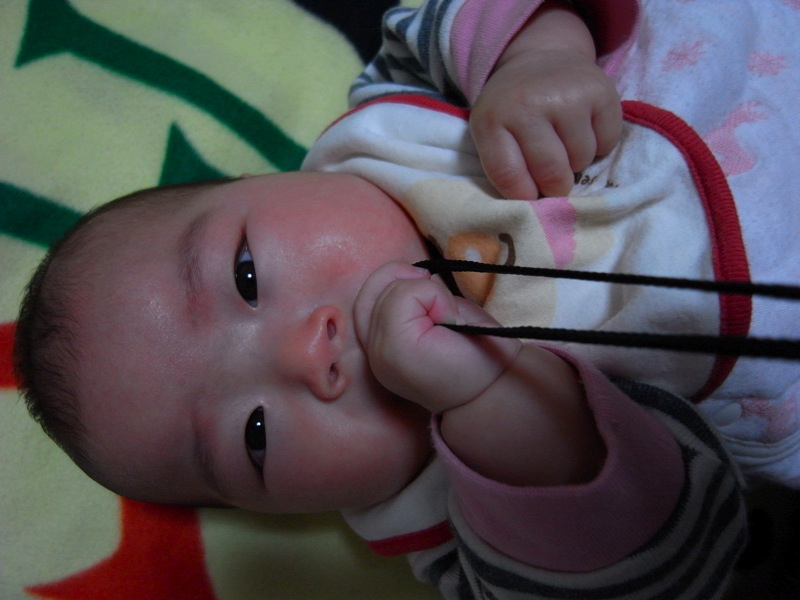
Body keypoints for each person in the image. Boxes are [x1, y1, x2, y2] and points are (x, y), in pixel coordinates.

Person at [19, 0, 800, 596]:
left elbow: (442, 15)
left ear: (272, 180)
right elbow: (654, 565)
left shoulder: (395, 121)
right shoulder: (464, 534)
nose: (305, 354)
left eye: (246, 277)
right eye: (255, 435)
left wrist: (536, 55)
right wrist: (495, 400)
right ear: (285, 509)